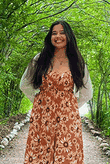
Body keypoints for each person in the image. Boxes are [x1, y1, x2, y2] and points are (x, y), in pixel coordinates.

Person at [20, 20, 93, 164]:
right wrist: (38, 102)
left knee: (67, 152)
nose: (58, 36)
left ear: (69, 36)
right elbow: (25, 84)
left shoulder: (77, 62)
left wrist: (71, 107)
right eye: (54, 33)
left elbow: (87, 91)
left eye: (62, 32)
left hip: (68, 116)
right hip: (43, 114)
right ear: (50, 37)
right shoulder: (40, 59)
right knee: (41, 152)